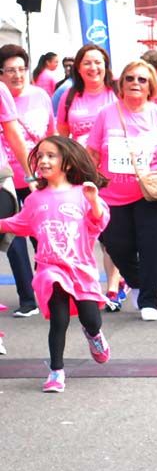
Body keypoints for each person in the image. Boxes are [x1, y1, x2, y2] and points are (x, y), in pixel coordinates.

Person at [0, 136, 111, 392]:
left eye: (51, 156)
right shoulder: (36, 198)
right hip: (49, 268)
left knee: (91, 318)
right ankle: (56, 371)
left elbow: (100, 222)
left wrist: (93, 200)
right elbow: (19, 222)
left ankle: (94, 335)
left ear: (68, 163)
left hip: (80, 268)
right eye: (40, 156)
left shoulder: (82, 193)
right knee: (58, 319)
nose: (44, 161)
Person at [87, 60, 157, 322]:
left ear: (151, 88)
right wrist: (86, 186)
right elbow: (92, 153)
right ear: (121, 85)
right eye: (130, 78)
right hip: (113, 196)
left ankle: (149, 298)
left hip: (153, 194)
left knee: (151, 246)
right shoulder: (106, 114)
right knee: (116, 245)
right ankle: (135, 282)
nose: (135, 83)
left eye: (142, 80)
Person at [55, 44, 125, 310]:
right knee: (83, 232)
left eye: (98, 62)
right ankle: (86, 285)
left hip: (113, 174)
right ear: (78, 68)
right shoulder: (70, 96)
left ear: (106, 66)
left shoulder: (116, 93)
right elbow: (61, 135)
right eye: (87, 63)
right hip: (80, 175)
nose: (93, 68)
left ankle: (113, 287)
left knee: (111, 233)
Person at [0, 44, 57, 316]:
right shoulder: (1, 95)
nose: (17, 75)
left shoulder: (40, 96)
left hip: (38, 176)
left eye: (21, 69)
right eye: (10, 70)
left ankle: (50, 288)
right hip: (8, 180)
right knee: (14, 240)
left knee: (43, 236)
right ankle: (27, 298)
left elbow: (52, 132)